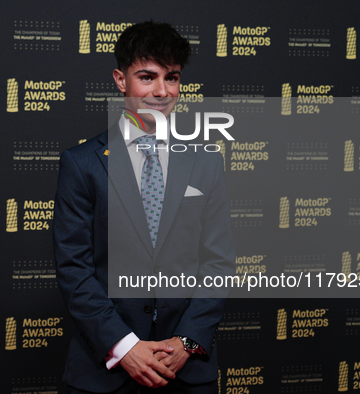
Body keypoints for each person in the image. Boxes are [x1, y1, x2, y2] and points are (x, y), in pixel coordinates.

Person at [53, 21, 235, 393]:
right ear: (121, 80)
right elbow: (74, 269)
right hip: (105, 371)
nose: (162, 91)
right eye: (147, 77)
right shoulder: (82, 163)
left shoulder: (205, 161)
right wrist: (126, 346)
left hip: (185, 369)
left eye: (172, 77)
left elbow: (219, 263)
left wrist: (186, 341)